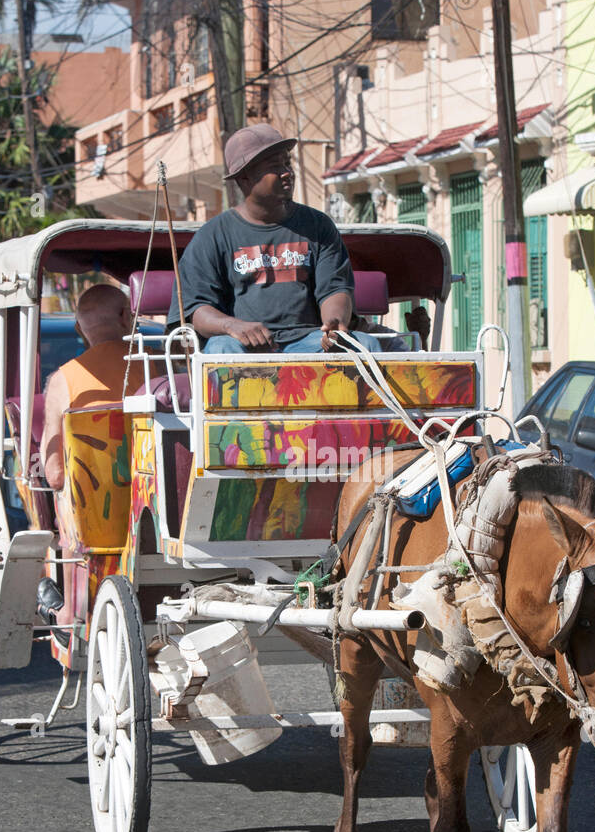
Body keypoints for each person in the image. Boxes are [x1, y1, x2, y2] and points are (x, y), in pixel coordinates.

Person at [166, 122, 380, 354]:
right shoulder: (212, 235)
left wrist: (334, 326)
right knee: (221, 349)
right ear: (244, 178)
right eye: (274, 166)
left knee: (365, 345)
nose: (287, 172)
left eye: (287, 163)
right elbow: (197, 310)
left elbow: (334, 288)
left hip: (308, 342)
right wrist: (232, 326)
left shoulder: (319, 226)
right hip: (243, 346)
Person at [38, 283, 136, 638]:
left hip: (96, 528)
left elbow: (55, 476)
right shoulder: (160, 369)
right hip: (155, 520)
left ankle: (67, 612)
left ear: (79, 329)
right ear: (127, 317)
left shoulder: (64, 379)